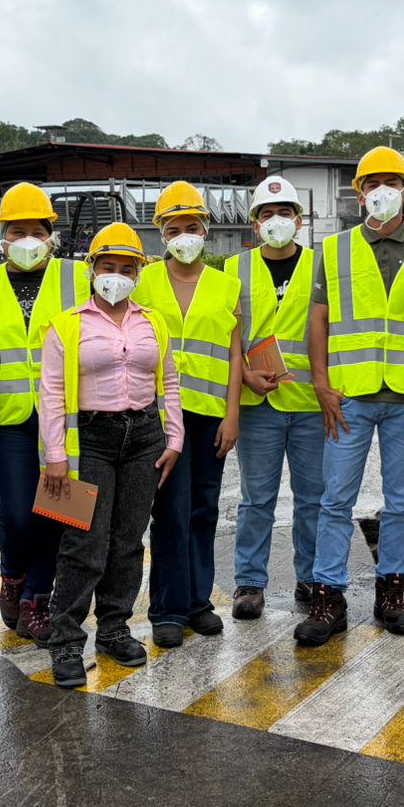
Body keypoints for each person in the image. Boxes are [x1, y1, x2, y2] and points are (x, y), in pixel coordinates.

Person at [295, 146, 404, 648]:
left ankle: (391, 592)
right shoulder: (333, 250)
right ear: (358, 193)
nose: (381, 191)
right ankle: (329, 595)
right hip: (348, 396)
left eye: (391, 181)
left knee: (401, 504)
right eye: (371, 183)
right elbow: (319, 321)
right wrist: (322, 384)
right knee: (335, 501)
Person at [38, 223, 183, 687]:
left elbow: (170, 383)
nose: (116, 275)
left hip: (143, 437)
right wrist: (55, 456)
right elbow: (53, 393)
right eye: (108, 266)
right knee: (83, 545)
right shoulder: (67, 324)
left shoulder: (152, 321)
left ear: (139, 272)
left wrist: (173, 439)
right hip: (89, 443)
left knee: (127, 541)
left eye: (126, 268)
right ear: (91, 269)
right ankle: (64, 642)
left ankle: (115, 629)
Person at [133, 181, 243, 648]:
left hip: (210, 414)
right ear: (162, 234)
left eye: (192, 226)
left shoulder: (226, 285)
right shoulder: (144, 282)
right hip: (160, 416)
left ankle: (199, 601)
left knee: (203, 510)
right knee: (171, 512)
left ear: (207, 229)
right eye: (174, 228)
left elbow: (236, 353)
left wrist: (232, 414)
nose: (184, 235)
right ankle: (168, 608)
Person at [0, 182, 91, 644]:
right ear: (2, 236)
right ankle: (12, 574)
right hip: (7, 420)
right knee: (20, 516)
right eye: (16, 230)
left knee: (59, 514)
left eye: (36, 229)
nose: (27, 239)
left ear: (52, 234)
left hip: (65, 420)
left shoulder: (78, 277)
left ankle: (37, 601)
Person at [224, 176, 324, 619]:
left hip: (307, 403)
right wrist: (244, 374)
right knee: (256, 499)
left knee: (313, 499)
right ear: (255, 224)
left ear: (299, 221)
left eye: (285, 213)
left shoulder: (322, 265)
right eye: (268, 214)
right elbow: (228, 336)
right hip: (256, 404)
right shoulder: (233, 269)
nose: (276, 221)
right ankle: (249, 582)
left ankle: (312, 578)